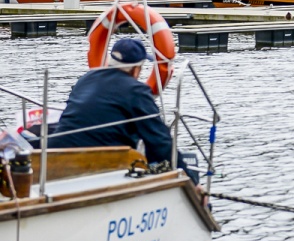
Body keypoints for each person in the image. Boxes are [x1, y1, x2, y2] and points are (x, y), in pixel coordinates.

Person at [49, 38, 197, 183]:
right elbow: (160, 140)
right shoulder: (136, 90)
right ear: (135, 69)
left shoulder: (85, 79)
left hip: (54, 156)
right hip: (98, 165)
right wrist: (189, 179)